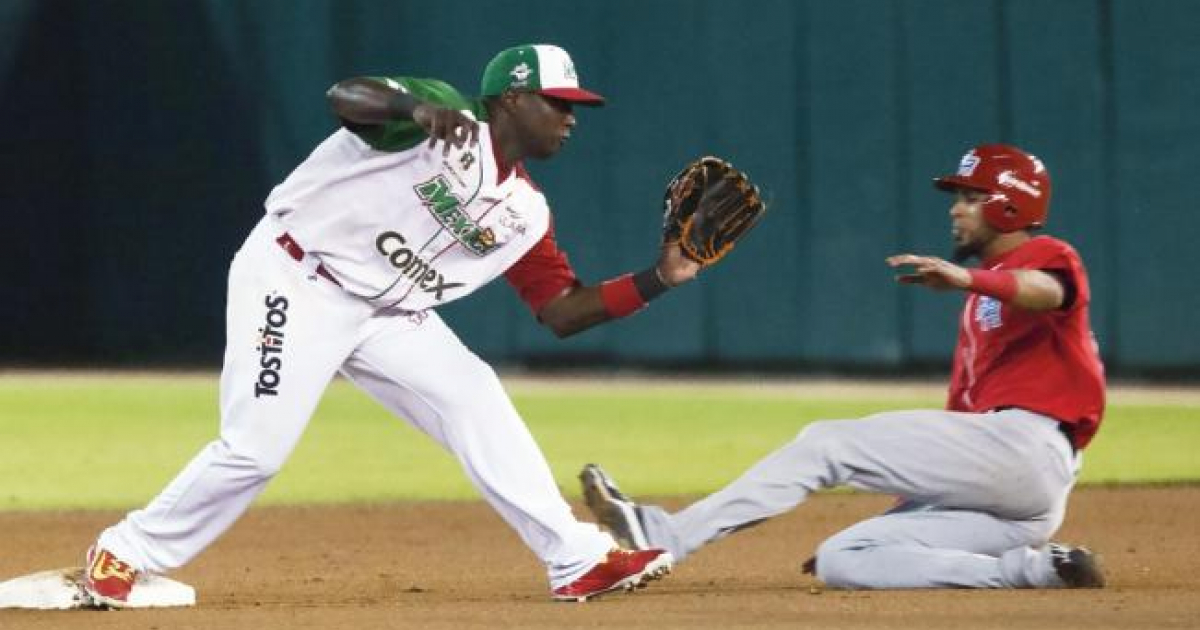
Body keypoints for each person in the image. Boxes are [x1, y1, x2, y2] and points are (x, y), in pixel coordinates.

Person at [83, 43, 697, 607]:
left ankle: (575, 559)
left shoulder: (525, 212)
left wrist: (660, 277)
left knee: (474, 396)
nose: (571, 118)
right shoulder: (441, 115)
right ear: (512, 98)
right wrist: (414, 108)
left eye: (575, 107)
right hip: (297, 277)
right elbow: (347, 97)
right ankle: (126, 551)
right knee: (255, 449)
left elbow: (562, 309)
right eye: (558, 103)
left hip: (390, 314)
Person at [581, 144, 1108, 590]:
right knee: (846, 558)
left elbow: (1048, 292)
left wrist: (972, 280)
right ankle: (1038, 569)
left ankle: (667, 535)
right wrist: (904, 516)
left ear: (1010, 207)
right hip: (1021, 498)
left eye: (972, 198)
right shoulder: (981, 305)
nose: (956, 209)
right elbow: (961, 427)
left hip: (1029, 446)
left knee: (826, 443)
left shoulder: (1044, 255)